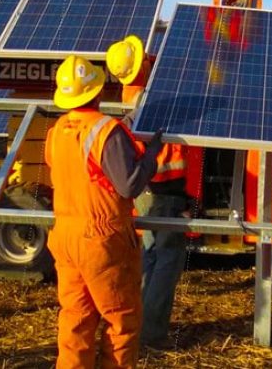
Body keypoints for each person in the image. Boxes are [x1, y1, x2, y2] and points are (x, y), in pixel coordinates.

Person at [45, 54, 163, 368]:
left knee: (75, 319)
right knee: (121, 322)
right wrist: (151, 156)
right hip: (102, 239)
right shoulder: (105, 130)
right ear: (97, 91)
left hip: (64, 235)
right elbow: (129, 186)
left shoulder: (56, 130)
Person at [105, 35, 192, 350]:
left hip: (148, 187)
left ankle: (139, 324)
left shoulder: (134, 90)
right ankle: (152, 333)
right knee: (167, 258)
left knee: (150, 255)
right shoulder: (149, 95)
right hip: (164, 188)